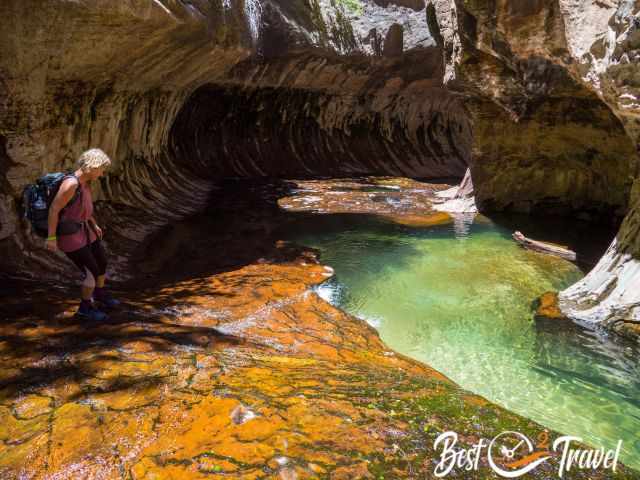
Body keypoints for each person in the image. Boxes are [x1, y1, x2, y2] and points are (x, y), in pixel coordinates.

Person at [45, 148, 119, 320]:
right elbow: (54, 210)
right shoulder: (71, 184)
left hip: (85, 230)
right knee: (91, 271)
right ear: (93, 166)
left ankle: (99, 295)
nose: (102, 174)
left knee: (102, 262)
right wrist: (51, 238)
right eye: (101, 169)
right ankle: (85, 309)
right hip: (71, 236)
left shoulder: (84, 182)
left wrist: (93, 223)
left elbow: (81, 208)